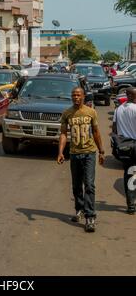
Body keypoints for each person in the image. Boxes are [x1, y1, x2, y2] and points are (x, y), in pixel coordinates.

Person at [57, 88, 105, 232]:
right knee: (77, 185)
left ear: (84, 96)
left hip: (89, 153)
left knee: (89, 185)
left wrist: (101, 151)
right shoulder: (67, 113)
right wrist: (60, 152)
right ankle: (79, 209)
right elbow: (64, 134)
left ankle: (90, 217)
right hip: (74, 154)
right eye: (73, 95)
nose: (76, 97)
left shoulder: (91, 112)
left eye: (78, 95)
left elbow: (96, 132)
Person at [112, 87, 136, 215]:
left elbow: (115, 129)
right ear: (132, 96)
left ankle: (130, 204)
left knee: (128, 174)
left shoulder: (118, 110)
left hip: (124, 147)